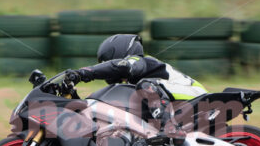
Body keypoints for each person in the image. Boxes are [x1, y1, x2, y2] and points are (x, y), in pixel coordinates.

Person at [65, 34, 207, 140]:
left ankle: (169, 126)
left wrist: (85, 73)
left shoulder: (140, 61)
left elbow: (123, 66)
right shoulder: (133, 84)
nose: (107, 66)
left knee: (145, 85)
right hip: (177, 102)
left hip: (194, 94)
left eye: (108, 61)